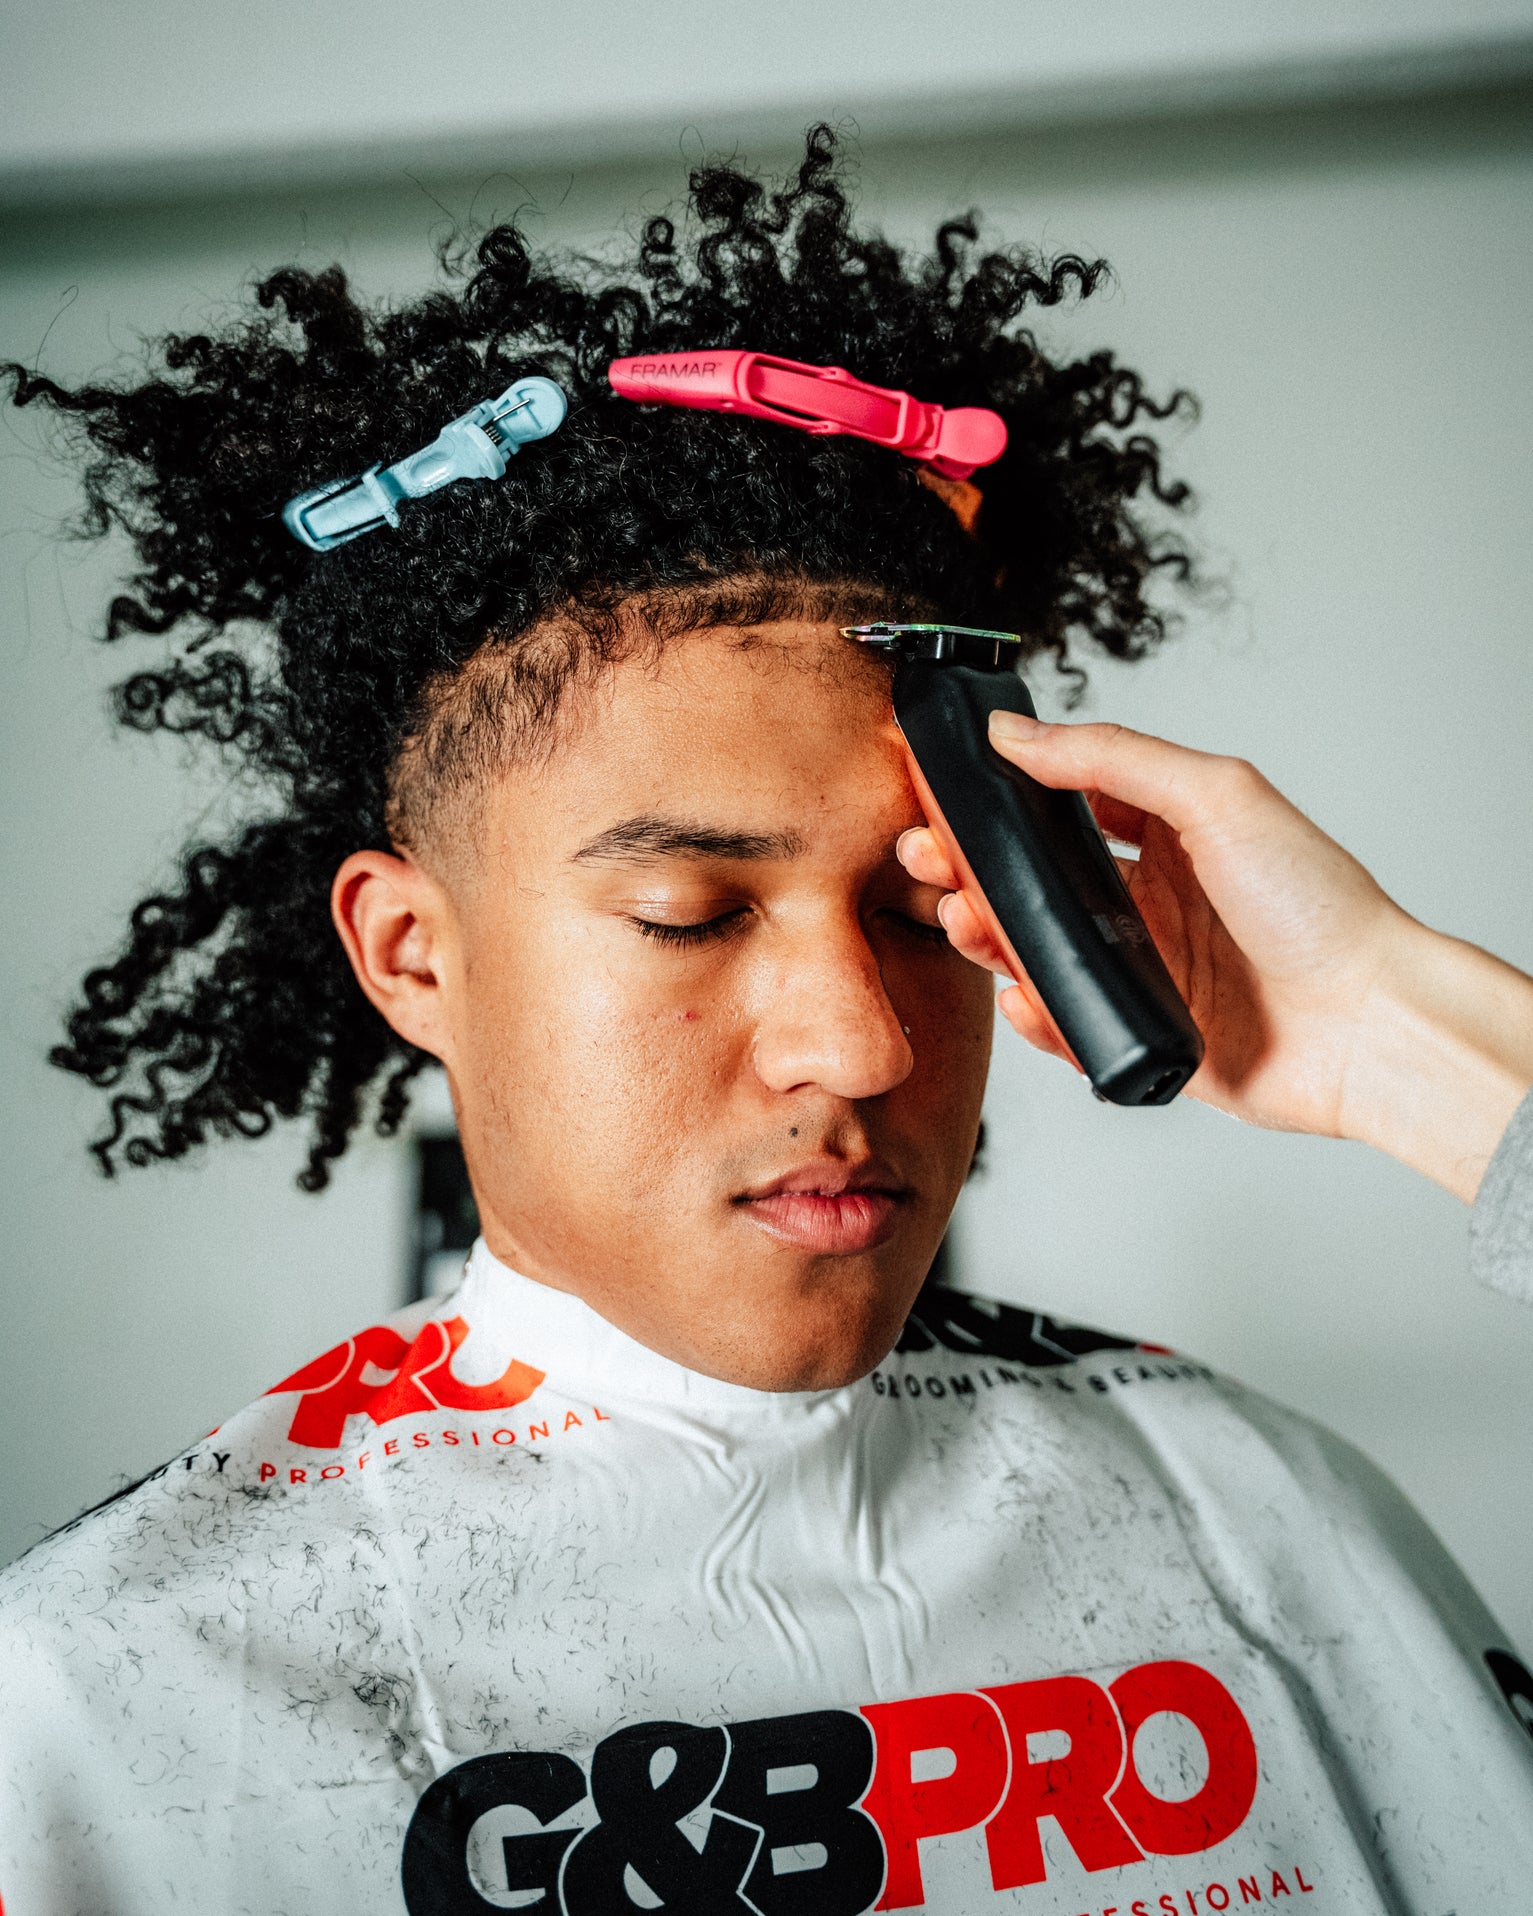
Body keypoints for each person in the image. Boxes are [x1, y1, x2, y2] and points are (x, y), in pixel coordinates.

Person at [1, 131, 1530, 1915]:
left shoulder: (1253, 1508)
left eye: (919, 909)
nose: (864, 1047)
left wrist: (1419, 1059)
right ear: (413, 955)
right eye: (690, 914)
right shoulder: (108, 1700)